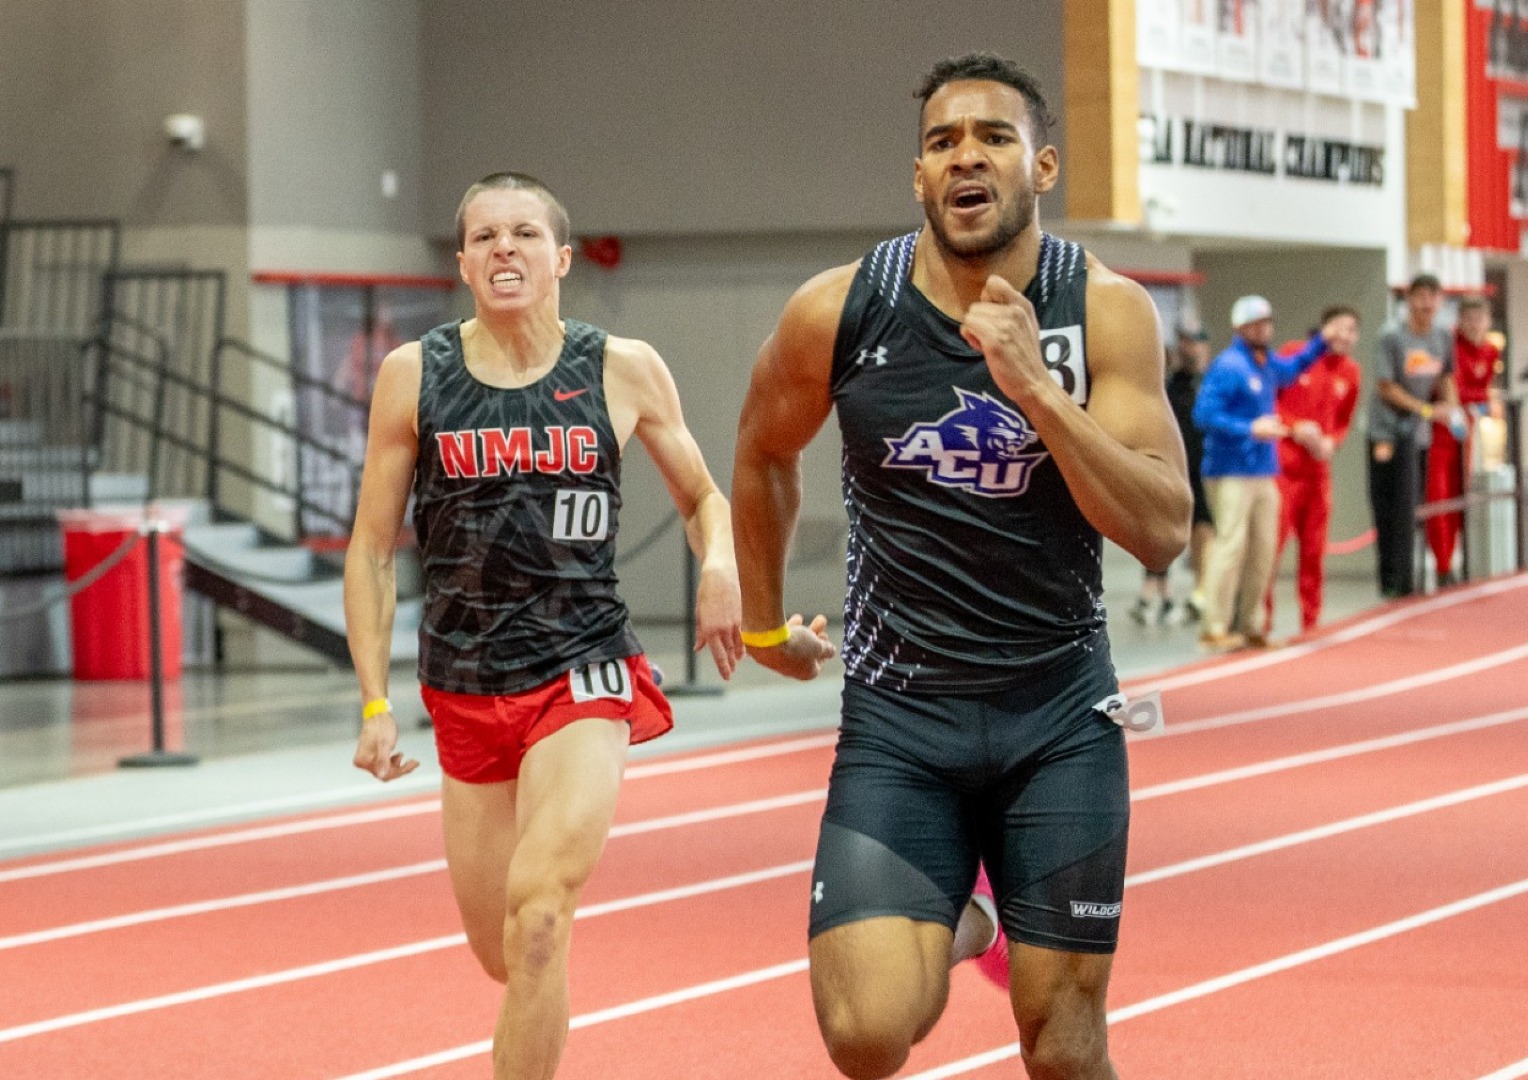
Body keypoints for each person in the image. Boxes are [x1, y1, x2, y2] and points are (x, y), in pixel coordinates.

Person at [730, 54, 1189, 1080]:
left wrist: (1037, 391)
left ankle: (969, 910)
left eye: (992, 137)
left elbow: (1162, 528)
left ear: (1042, 166)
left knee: (1060, 1046)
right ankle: (965, 915)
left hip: (1058, 716)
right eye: (942, 142)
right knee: (864, 1034)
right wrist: (762, 625)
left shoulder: (1102, 309)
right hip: (900, 721)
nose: (965, 157)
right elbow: (761, 451)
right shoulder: (840, 310)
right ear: (918, 177)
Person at [344, 173, 743, 1080]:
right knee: (504, 953)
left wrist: (718, 564)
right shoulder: (415, 374)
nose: (504, 249)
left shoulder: (621, 367)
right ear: (461, 263)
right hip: (463, 679)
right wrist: (373, 703)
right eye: (484, 237)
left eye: (523, 233)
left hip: (582, 669)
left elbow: (703, 498)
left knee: (537, 921)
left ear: (561, 258)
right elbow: (369, 549)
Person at [1192, 295, 1329, 648]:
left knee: (1264, 549)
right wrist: (1250, 428)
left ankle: (1252, 624)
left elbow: (1294, 367)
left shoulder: (1266, 363)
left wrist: (1322, 341)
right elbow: (1204, 415)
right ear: (1241, 328)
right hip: (1230, 470)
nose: (1264, 330)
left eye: (1266, 323)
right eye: (1256, 324)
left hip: (1263, 470)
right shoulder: (1229, 366)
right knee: (1230, 547)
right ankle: (1215, 625)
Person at [1367, 273, 1464, 598]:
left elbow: (1446, 376)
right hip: (1388, 430)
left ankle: (1418, 575)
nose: (1426, 303)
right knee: (1390, 506)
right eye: (1420, 296)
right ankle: (1393, 581)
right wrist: (1424, 409)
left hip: (1419, 433)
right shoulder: (1391, 336)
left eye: (1433, 296)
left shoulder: (1442, 335)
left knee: (1416, 504)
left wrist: (1451, 408)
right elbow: (1385, 386)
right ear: (1409, 300)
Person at [1268, 306, 1363, 635]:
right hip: (1284, 469)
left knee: (1314, 550)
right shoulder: (1295, 354)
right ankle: (1260, 622)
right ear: (1324, 329)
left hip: (1318, 473)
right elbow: (1271, 399)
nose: (1345, 336)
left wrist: (1331, 442)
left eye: (1352, 330)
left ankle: (1311, 621)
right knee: (1272, 546)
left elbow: (1343, 422)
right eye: (1339, 328)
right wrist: (1295, 428)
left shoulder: (1351, 373)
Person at [1134, 321, 1214, 627]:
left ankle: (1200, 592)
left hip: (1205, 468)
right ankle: (1156, 592)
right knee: (1162, 528)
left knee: (1204, 528)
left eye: (1194, 343)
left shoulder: (1210, 382)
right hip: (1172, 467)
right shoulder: (1170, 384)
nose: (1189, 349)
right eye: (1184, 343)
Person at [1423, 294, 1501, 584]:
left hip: (1466, 429)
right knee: (1439, 495)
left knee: (1461, 493)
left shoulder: (1490, 351)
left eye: (1479, 319)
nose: (1474, 324)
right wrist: (1479, 401)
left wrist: (1480, 403)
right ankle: (1443, 564)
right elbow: (1454, 390)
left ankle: (1460, 559)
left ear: (1488, 321)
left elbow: (1483, 390)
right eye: (1468, 319)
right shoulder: (1449, 345)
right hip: (1441, 428)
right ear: (1460, 321)